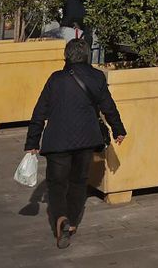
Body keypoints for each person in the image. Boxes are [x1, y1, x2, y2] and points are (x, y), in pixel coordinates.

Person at [25, 38, 126, 249]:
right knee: (79, 181)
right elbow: (108, 107)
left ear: (66, 56)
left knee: (57, 183)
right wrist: (118, 129)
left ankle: (61, 217)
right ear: (87, 55)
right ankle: (71, 221)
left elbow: (40, 111)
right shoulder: (97, 77)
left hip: (58, 140)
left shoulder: (56, 79)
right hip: (85, 139)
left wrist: (33, 140)